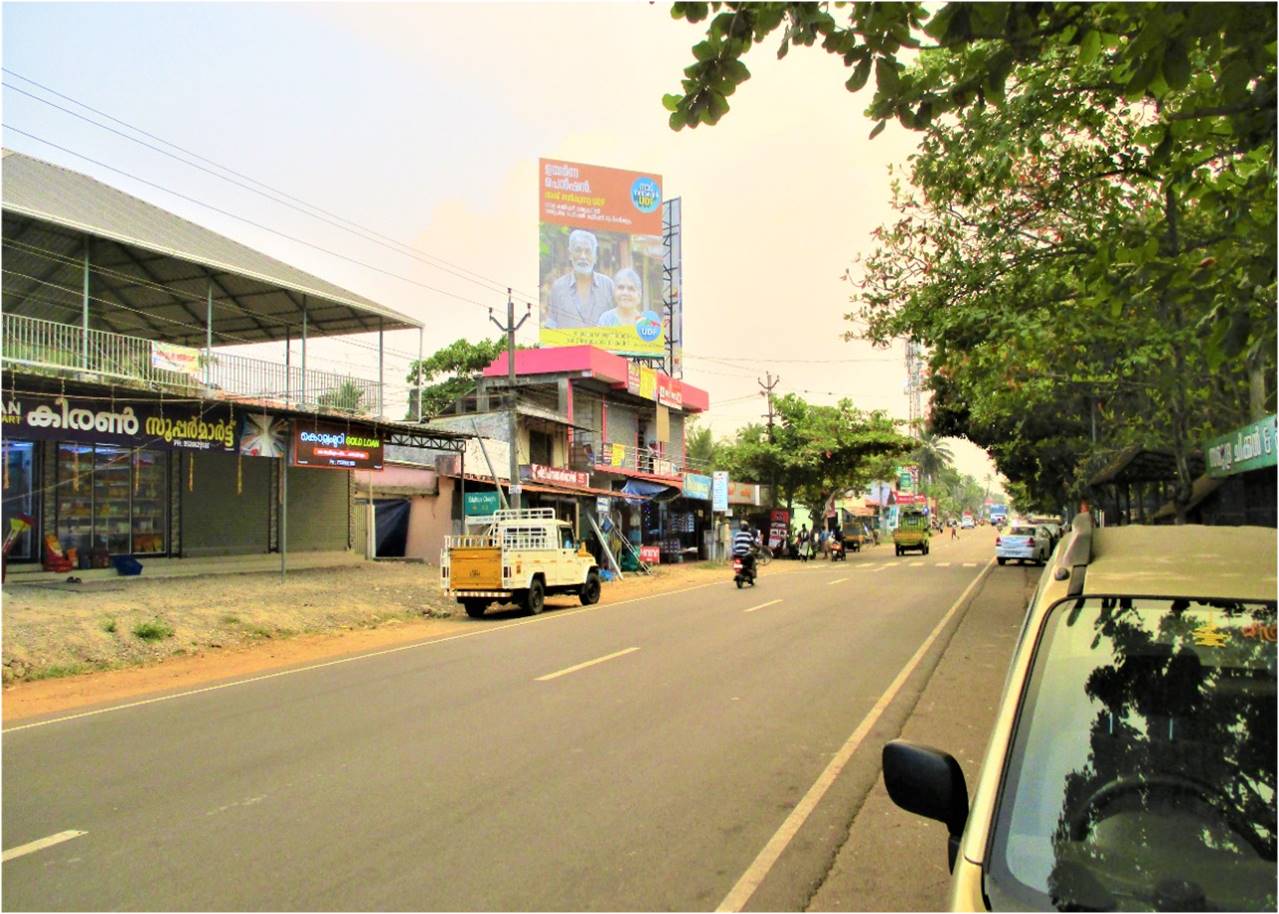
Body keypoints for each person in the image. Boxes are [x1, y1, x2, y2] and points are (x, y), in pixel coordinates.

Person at [546, 229, 614, 329]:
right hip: (569, 344)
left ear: (595, 257)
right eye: (578, 250)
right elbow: (552, 324)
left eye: (588, 251)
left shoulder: (608, 285)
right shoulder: (558, 287)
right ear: (570, 255)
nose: (583, 256)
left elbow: (618, 321)